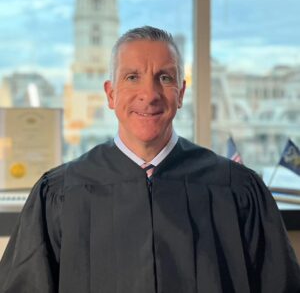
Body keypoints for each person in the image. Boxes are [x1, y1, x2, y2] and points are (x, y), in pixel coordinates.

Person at [0, 26, 299, 293]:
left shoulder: (237, 189)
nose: (150, 94)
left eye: (164, 78)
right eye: (132, 77)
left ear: (180, 94)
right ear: (111, 94)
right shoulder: (60, 193)